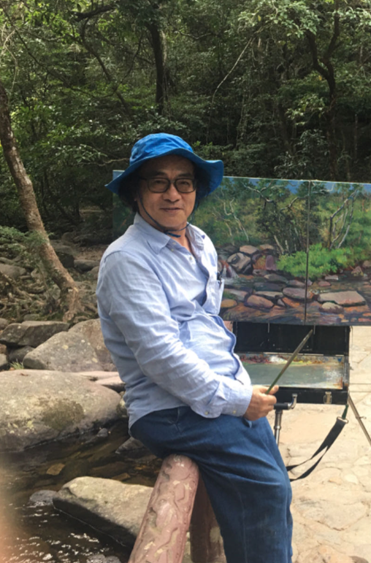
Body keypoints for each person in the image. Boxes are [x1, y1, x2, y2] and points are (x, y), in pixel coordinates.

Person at [96, 133, 293, 563]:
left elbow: (207, 321)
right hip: (170, 409)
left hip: (215, 391)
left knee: (277, 485)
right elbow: (160, 355)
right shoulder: (126, 259)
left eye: (183, 182)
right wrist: (238, 400)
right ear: (136, 191)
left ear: (195, 190)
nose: (173, 193)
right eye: (158, 182)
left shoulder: (199, 241)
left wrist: (238, 389)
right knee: (265, 489)